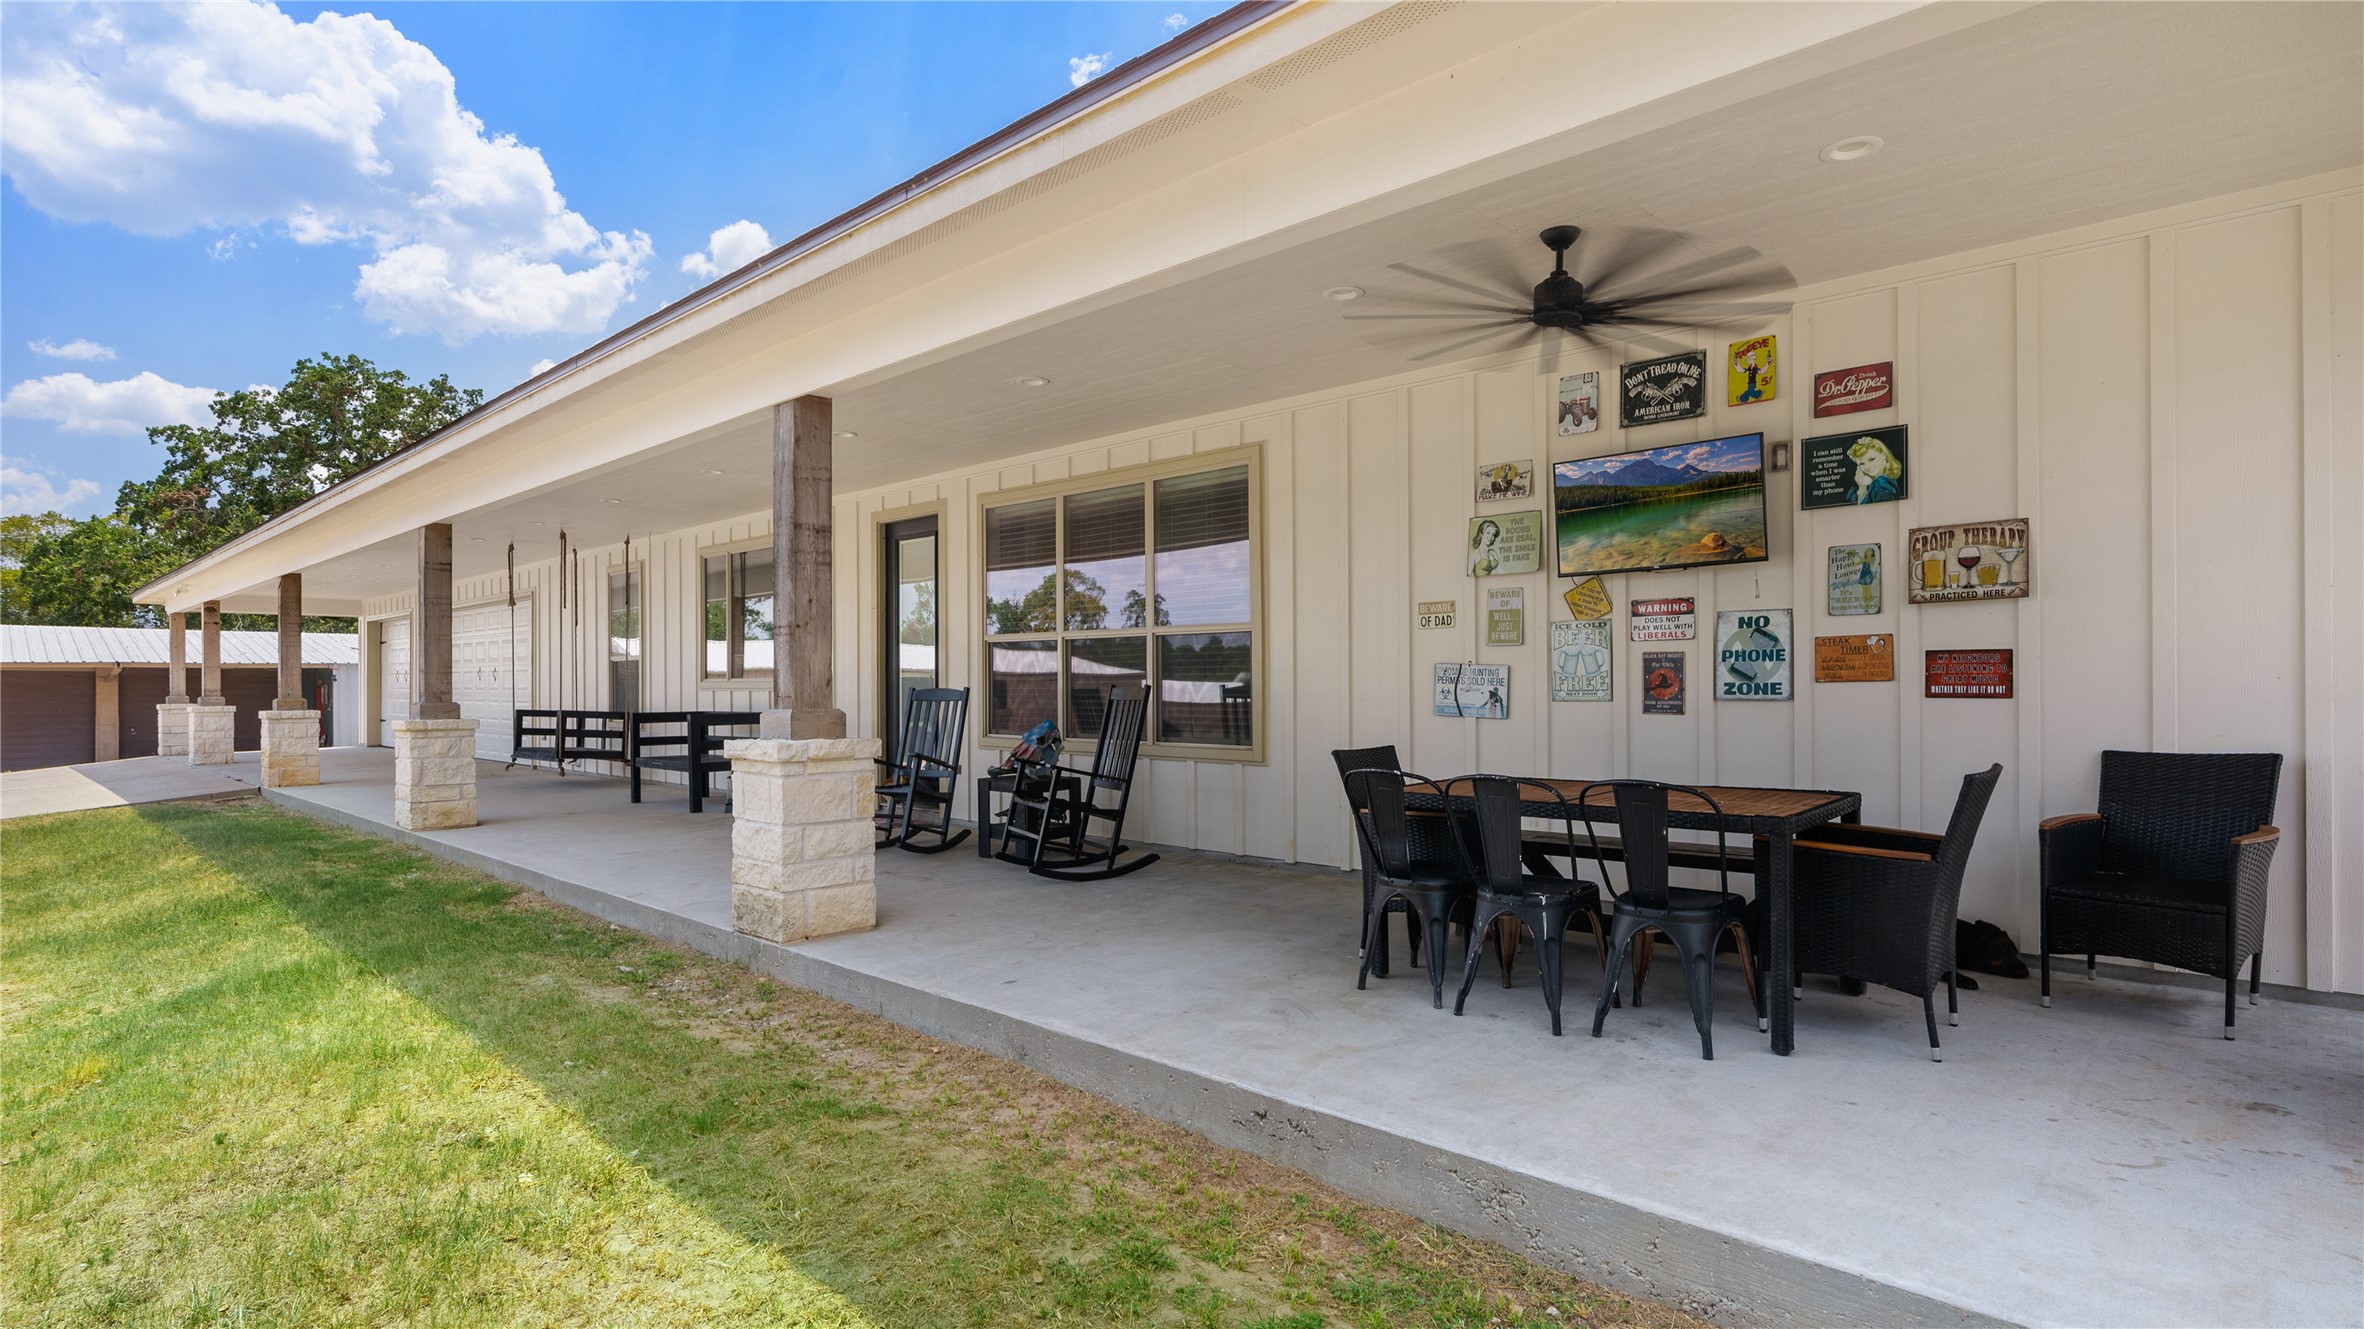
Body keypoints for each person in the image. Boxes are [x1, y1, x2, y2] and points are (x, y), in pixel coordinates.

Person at [1845, 435, 1903, 505]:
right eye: (1862, 464)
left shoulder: (1879, 483)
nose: (1867, 466)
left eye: (1872, 459)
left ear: (1884, 455)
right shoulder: (1887, 480)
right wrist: (1862, 487)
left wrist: (1862, 489)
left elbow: (1866, 513)